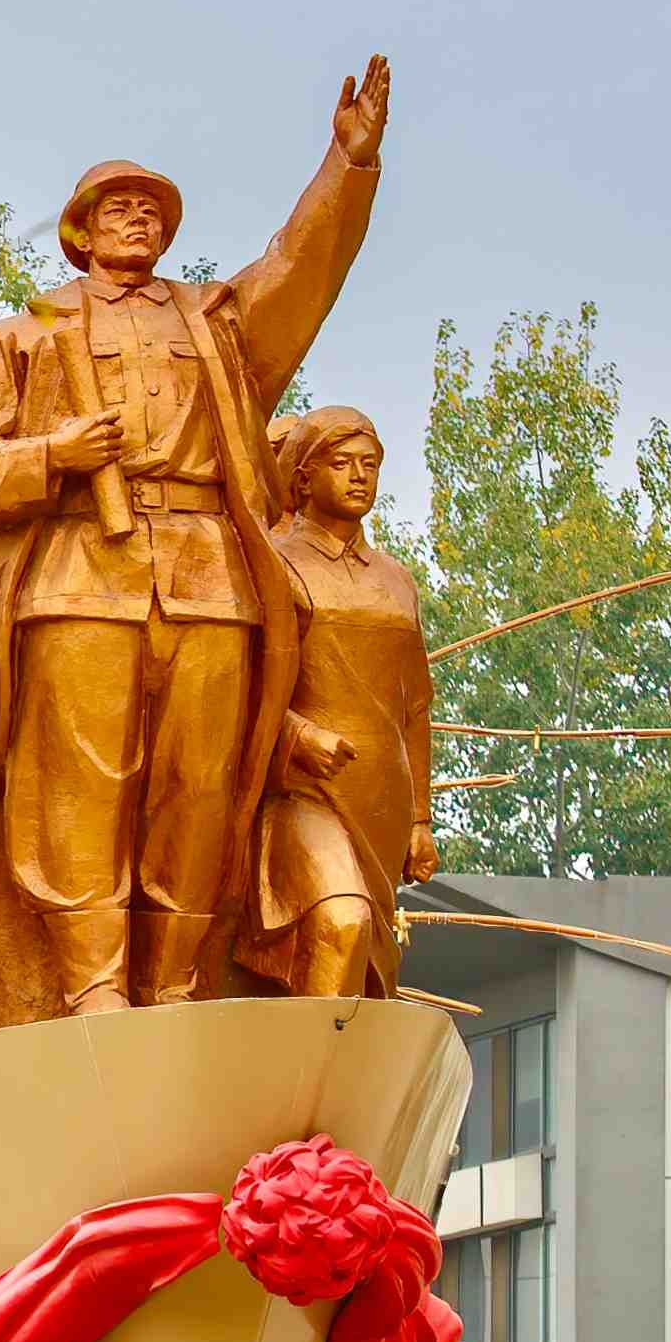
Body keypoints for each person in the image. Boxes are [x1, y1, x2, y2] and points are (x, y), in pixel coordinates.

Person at [0, 58, 390, 1013]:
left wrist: (346, 168)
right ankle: (94, 987)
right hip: (79, 578)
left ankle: (173, 985)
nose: (137, 220)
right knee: (83, 790)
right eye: (117, 208)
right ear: (81, 231)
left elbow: (297, 269)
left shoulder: (216, 326)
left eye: (152, 210)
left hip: (208, 579)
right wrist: (53, 454)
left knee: (199, 789)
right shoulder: (20, 338)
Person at [241, 405, 433, 999]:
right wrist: (297, 735)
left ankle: (331, 1084)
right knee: (339, 922)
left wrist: (421, 819)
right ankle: (308, 1081)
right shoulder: (272, 562)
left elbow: (416, 706)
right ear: (302, 477)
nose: (359, 476)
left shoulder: (396, 579)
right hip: (302, 789)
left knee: (371, 967)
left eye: (370, 464)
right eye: (342, 463)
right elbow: (242, 680)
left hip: (383, 797)